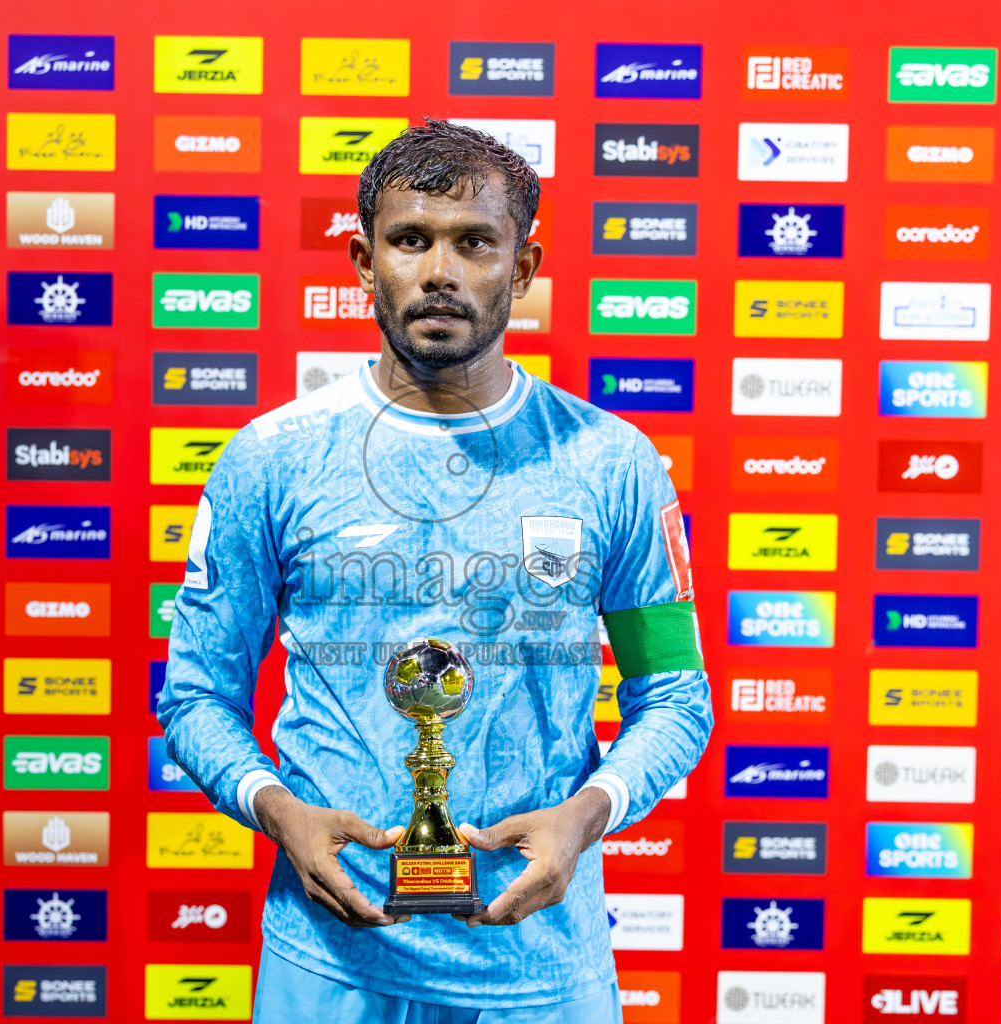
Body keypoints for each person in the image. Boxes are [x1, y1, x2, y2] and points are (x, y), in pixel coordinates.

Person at [159, 118, 712, 1023]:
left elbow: (677, 695)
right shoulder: (271, 459)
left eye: (475, 243)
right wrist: (275, 809)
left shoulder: (614, 464)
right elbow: (196, 693)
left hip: (540, 971)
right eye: (410, 239)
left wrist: (589, 814)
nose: (440, 271)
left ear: (523, 269)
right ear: (363, 260)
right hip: (330, 964)